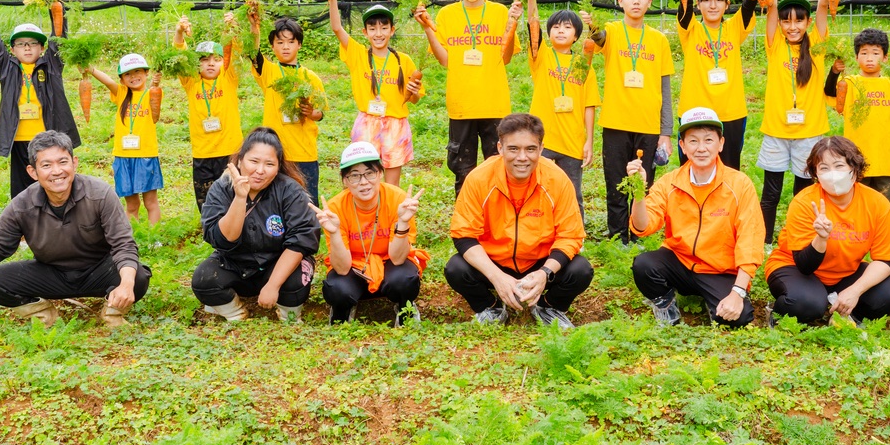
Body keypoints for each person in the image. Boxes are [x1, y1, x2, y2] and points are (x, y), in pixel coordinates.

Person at [0, 130, 149, 327]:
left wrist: (126, 284)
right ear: (32, 172)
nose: (57, 171)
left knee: (137, 276)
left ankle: (112, 312)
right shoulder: (22, 205)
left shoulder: (100, 194)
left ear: (74, 163)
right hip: (50, 274)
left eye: (62, 162)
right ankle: (45, 315)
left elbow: (123, 245)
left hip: (98, 270)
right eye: (46, 165)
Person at [446, 113, 593, 328]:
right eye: (513, 149)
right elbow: (463, 234)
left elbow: (570, 235)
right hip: (495, 262)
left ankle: (548, 306)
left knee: (580, 270)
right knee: (456, 269)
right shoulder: (479, 178)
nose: (522, 157)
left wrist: (545, 273)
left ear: (541, 149)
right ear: (500, 148)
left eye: (530, 149)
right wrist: (496, 276)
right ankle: (491, 306)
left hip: (539, 262)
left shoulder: (557, 179)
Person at [625, 107, 764, 327]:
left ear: (720, 144)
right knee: (644, 265)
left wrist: (737, 292)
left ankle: (718, 302)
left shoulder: (739, 185)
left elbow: (751, 240)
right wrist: (639, 192)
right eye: (693, 141)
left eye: (708, 140)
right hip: (680, 262)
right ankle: (665, 302)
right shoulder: (670, 182)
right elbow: (642, 227)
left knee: (739, 318)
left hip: (719, 270)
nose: (701, 148)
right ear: (682, 146)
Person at [764, 136, 890, 326]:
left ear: (855, 169)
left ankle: (845, 313)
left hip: (845, 271)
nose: (832, 174)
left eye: (839, 166)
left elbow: (886, 259)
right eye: (824, 168)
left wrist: (855, 290)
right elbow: (804, 265)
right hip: (795, 268)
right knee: (808, 304)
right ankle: (780, 312)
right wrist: (821, 239)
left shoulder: (876, 203)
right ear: (815, 173)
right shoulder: (805, 202)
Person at [192, 127, 321, 323]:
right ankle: (235, 313)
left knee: (295, 282)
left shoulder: (289, 190)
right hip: (236, 263)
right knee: (204, 280)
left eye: (269, 164)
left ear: (278, 167)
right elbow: (224, 239)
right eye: (254, 161)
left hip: (278, 263)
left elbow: (301, 241)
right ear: (240, 160)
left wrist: (272, 286)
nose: (260, 171)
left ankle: (290, 316)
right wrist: (240, 198)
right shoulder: (221, 188)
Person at [415, 0, 520, 194]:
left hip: (495, 105)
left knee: (497, 167)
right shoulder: (446, 15)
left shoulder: (500, 12)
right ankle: (465, 223)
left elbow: (506, 57)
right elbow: (445, 60)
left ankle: (494, 220)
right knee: (463, 169)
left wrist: (512, 25)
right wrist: (427, 29)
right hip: (461, 104)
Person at [756, 0, 842, 243]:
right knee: (771, 192)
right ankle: (765, 242)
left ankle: (799, 237)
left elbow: (821, 6)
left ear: (806, 24)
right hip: (777, 132)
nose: (792, 26)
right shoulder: (775, 45)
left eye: (798, 21)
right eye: (786, 21)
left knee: (804, 192)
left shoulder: (816, 45)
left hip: (809, 133)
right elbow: (770, 4)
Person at [588, 0, 675, 243]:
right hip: (615, 123)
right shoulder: (612, 31)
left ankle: (638, 233)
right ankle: (617, 237)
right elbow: (596, 39)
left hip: (648, 125)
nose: (635, 1)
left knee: (642, 185)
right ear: (619, 0)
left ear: (650, 2)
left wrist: (666, 132)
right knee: (616, 184)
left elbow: (665, 89)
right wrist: (591, 26)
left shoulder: (659, 40)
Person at [0, 0, 80, 200]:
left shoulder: (51, 64)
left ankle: (54, 221)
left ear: (41, 48)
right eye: (21, 44)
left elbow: (59, 37)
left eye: (33, 43)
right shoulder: (7, 68)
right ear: (13, 49)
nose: (27, 48)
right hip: (20, 139)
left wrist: (56, 4)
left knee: (51, 182)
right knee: (22, 188)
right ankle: (25, 226)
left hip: (47, 137)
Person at [312, 141, 428, 326]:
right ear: (345, 181)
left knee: (405, 279)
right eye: (355, 176)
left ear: (380, 173)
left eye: (369, 173)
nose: (364, 182)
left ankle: (405, 309)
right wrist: (333, 233)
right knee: (337, 288)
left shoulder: (398, 200)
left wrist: (403, 221)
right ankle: (342, 311)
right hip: (354, 267)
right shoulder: (335, 208)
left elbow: (398, 259)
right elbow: (342, 268)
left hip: (390, 264)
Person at [670, 0, 763, 169]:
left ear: (727, 5)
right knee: (692, 168)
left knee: (729, 169)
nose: (712, 5)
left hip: (730, 112)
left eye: (718, 0)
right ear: (699, 5)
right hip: (695, 112)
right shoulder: (690, 29)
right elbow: (685, 2)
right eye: (707, 0)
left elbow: (750, 3)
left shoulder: (734, 28)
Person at [326, 0, 425, 185]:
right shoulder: (358, 55)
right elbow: (337, 27)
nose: (378, 33)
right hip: (367, 123)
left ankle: (389, 216)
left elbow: (414, 99)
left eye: (383, 28)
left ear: (392, 30)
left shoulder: (403, 60)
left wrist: (413, 92)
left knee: (391, 185)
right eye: (372, 28)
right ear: (365, 32)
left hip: (395, 125)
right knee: (365, 180)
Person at [523, 0, 600, 215]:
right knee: (537, 189)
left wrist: (588, 140)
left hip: (572, 140)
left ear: (576, 36)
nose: (561, 30)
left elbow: (588, 104)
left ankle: (575, 235)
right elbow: (533, 25)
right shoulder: (542, 57)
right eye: (556, 27)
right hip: (543, 139)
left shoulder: (581, 63)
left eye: (567, 27)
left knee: (571, 191)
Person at [824, 27, 890, 202]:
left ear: (885, 58)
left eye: (875, 53)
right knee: (858, 203)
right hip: (856, 158)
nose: (869, 58)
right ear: (856, 57)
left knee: (883, 204)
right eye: (864, 53)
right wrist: (834, 72)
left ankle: (881, 230)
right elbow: (830, 94)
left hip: (886, 157)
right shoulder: (850, 83)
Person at [246, 5, 325, 203]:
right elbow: (253, 52)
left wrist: (311, 112)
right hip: (275, 155)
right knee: (275, 202)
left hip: (304, 153)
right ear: (272, 46)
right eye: (280, 42)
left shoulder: (310, 77)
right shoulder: (269, 72)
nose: (285, 47)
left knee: (306, 202)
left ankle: (308, 234)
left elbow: (320, 113)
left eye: (291, 42)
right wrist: (254, 27)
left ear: (299, 44)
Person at [172, 15, 243, 211]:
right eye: (204, 59)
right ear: (196, 64)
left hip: (229, 151)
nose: (211, 64)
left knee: (232, 197)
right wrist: (179, 33)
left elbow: (235, 52)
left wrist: (233, 29)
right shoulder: (191, 82)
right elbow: (181, 55)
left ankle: (234, 231)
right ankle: (210, 233)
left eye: (217, 59)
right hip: (202, 153)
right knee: (205, 199)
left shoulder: (228, 79)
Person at [85, 54, 164, 224]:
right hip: (124, 156)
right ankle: (132, 238)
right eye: (128, 74)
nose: (134, 77)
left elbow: (154, 95)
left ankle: (154, 239)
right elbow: (107, 82)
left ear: (146, 73)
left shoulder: (152, 94)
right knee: (132, 205)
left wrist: (156, 83)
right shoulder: (121, 93)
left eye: (138, 72)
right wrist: (91, 70)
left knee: (151, 202)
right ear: (121, 79)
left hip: (146, 155)